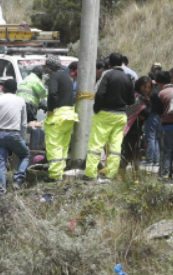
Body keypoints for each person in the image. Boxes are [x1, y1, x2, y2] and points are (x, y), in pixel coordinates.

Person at [85, 53, 134, 181]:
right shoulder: (127, 77)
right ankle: (111, 174)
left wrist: (96, 108)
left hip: (105, 114)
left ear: (109, 63)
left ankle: (90, 174)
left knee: (96, 144)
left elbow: (100, 93)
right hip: (121, 116)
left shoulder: (107, 74)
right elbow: (131, 99)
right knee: (115, 147)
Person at [0, 79, 30, 194]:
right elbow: (23, 124)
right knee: (25, 155)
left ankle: (1, 191)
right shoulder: (21, 101)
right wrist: (23, 140)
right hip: (15, 134)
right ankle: (18, 179)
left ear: (3, 89)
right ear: (16, 90)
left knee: (0, 163)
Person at [43, 56, 77, 181]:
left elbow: (52, 93)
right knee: (63, 146)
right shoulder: (67, 77)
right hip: (69, 114)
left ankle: (54, 176)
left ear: (48, 67)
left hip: (58, 115)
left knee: (54, 145)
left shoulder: (54, 77)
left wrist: (51, 108)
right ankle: (60, 172)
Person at [123, 76, 153, 172]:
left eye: (148, 87)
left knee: (134, 152)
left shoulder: (144, 99)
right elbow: (145, 114)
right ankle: (121, 172)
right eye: (144, 86)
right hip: (130, 128)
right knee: (128, 152)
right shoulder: (136, 97)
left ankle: (134, 173)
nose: (146, 89)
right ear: (138, 85)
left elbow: (145, 115)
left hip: (136, 129)